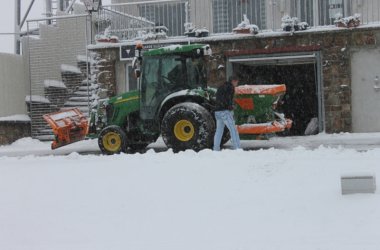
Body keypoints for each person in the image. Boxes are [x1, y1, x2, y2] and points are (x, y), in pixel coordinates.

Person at [213, 73, 241, 151]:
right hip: (224, 111)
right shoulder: (230, 87)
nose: (237, 84)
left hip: (217, 112)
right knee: (233, 130)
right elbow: (228, 100)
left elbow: (219, 99)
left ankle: (216, 149)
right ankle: (238, 148)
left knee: (219, 131)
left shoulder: (221, 86)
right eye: (236, 82)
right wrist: (231, 107)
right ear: (233, 81)